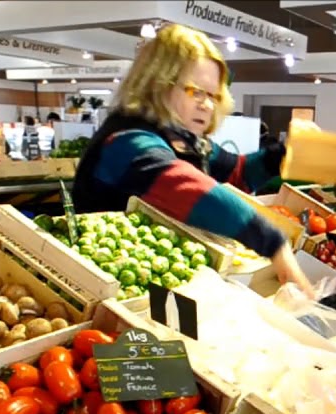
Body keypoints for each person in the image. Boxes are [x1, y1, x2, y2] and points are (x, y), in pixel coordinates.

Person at [72, 23, 310, 293]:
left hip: (158, 283)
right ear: (158, 84)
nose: (207, 104)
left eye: (213, 95)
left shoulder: (185, 139)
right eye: (195, 91)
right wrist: (272, 241)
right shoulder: (127, 142)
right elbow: (188, 188)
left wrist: (284, 153)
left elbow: (237, 173)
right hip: (107, 290)